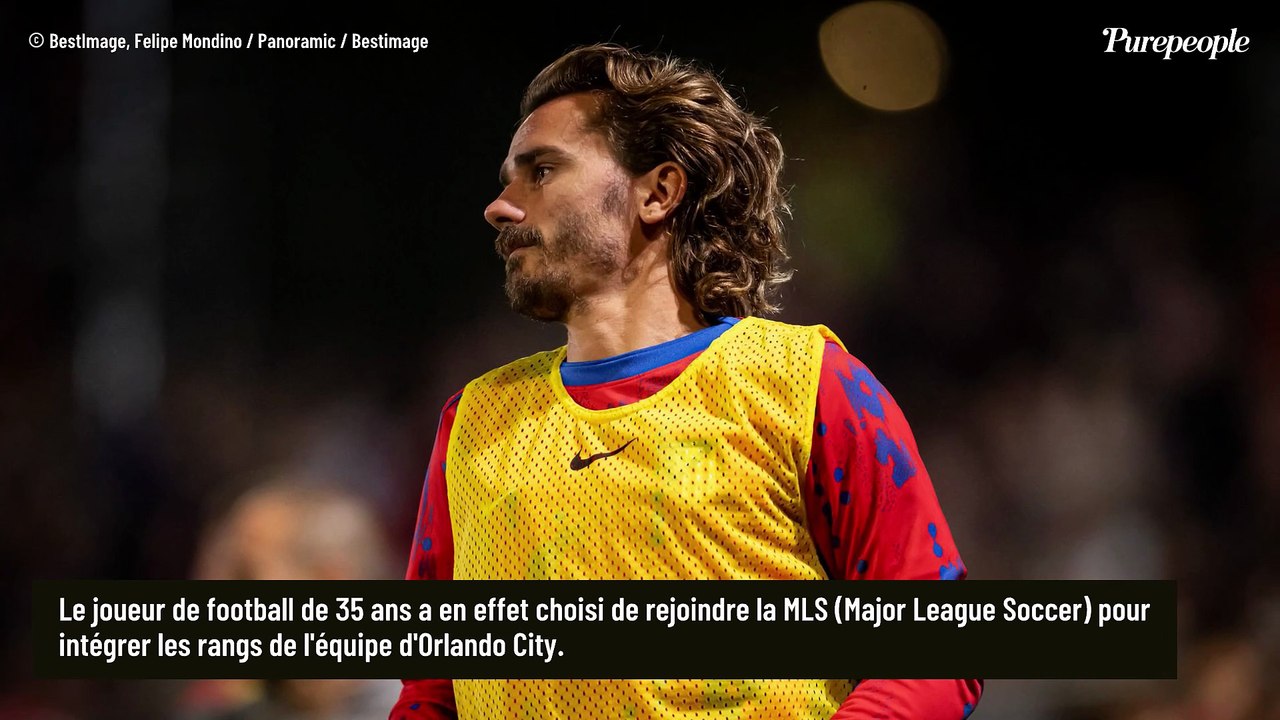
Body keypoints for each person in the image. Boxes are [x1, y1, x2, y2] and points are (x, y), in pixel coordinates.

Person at [392, 43, 982, 719]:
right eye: (508, 180)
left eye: (542, 171)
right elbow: (431, 692)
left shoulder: (805, 384)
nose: (500, 207)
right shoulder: (473, 420)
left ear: (657, 192)